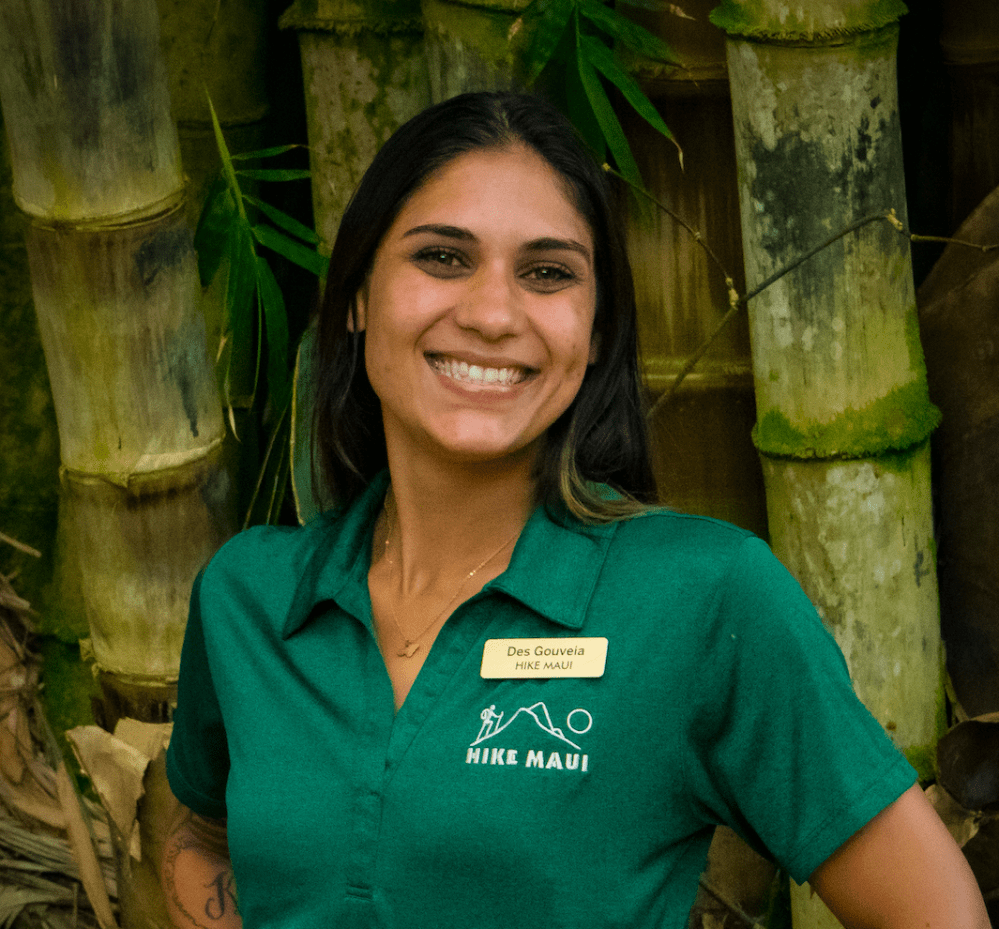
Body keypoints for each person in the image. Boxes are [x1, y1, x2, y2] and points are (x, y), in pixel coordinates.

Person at [160, 91, 989, 929]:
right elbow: (200, 832)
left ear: (594, 333)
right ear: (358, 297)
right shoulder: (249, 596)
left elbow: (935, 915)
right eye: (442, 257)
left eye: (547, 273)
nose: (490, 313)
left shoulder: (702, 599)